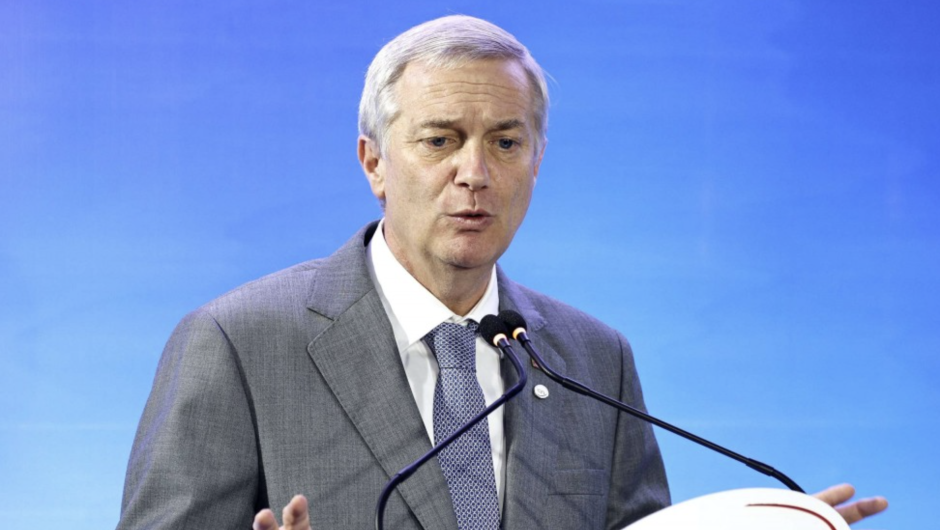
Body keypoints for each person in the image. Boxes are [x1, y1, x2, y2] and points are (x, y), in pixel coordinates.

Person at [118, 15, 887, 530]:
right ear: (374, 163)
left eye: (506, 143)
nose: (475, 173)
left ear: (538, 159)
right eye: (440, 140)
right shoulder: (241, 342)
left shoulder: (595, 359)